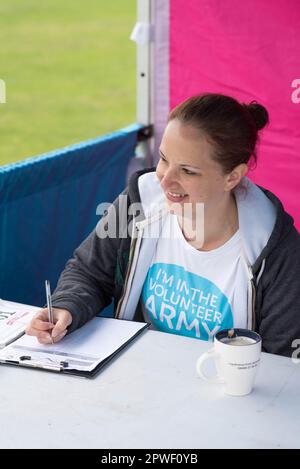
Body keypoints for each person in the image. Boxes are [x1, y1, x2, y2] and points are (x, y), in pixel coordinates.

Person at [26, 93, 300, 357]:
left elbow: (284, 361)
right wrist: (67, 306)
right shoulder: (140, 203)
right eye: (164, 159)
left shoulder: (278, 251)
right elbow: (89, 272)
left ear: (232, 177)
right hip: (139, 384)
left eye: (188, 170)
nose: (165, 180)